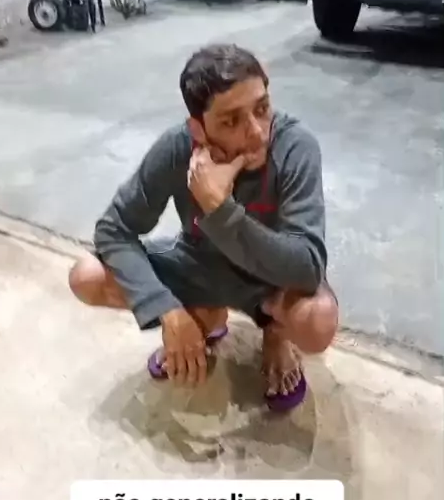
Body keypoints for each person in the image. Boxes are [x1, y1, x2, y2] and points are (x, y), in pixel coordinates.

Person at [69, 43, 338, 411]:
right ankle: (204, 317)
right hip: (201, 265)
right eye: (231, 121)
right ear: (197, 128)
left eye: (262, 109)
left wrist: (218, 208)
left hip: (271, 282)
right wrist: (167, 310)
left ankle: (275, 334)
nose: (257, 132)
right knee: (86, 276)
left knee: (317, 321)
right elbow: (113, 230)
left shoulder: (295, 146)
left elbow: (307, 267)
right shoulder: (177, 149)